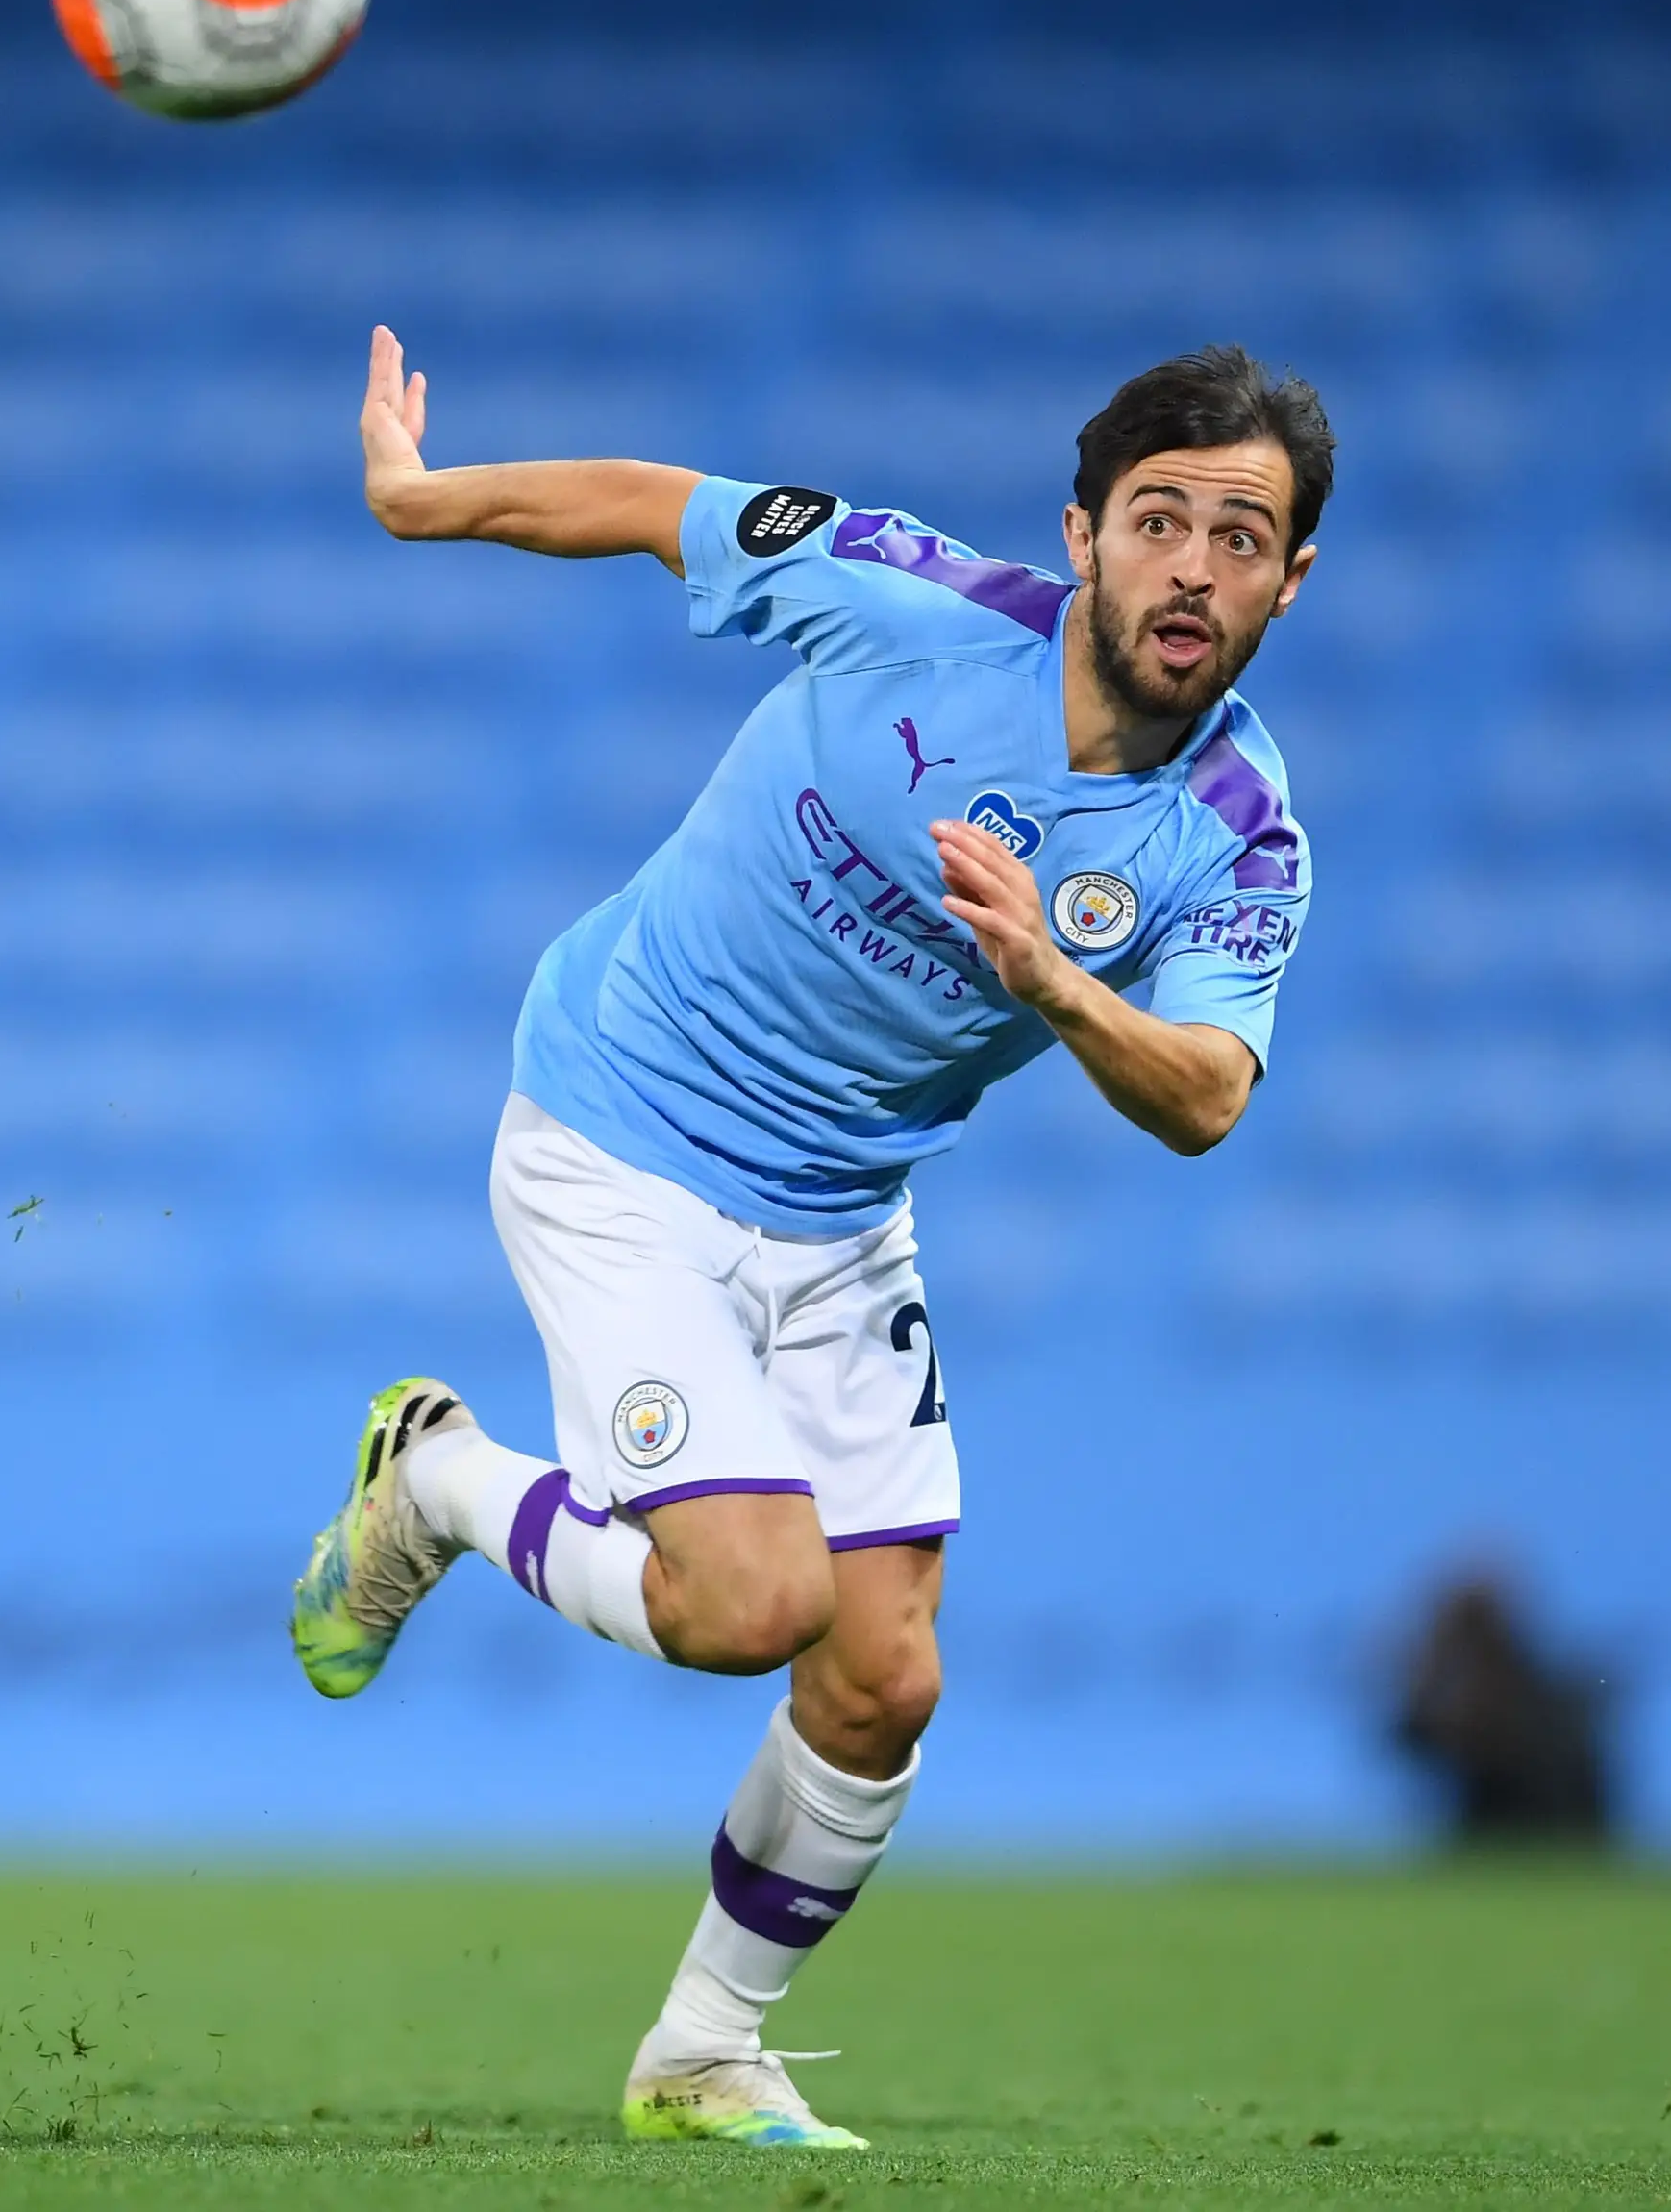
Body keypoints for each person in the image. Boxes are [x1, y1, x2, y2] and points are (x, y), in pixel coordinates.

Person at [292, 325, 1330, 2150]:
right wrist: (419, 500)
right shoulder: (915, 599)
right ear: (1081, 532)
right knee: (751, 1605)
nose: (1195, 568)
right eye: (1160, 520)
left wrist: (1057, 982)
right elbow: (646, 504)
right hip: (622, 1133)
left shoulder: (1239, 836)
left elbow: (1209, 1095)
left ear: (1291, 579)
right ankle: (442, 1481)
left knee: (883, 1672)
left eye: (1242, 540)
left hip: (843, 1218)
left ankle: (699, 2055)